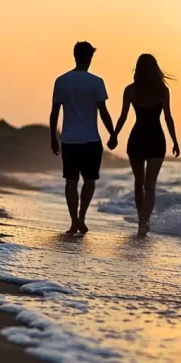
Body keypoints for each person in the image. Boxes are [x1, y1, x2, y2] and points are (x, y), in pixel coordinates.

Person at [108, 53, 180, 235]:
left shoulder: (131, 90)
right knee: (150, 184)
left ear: (138, 69)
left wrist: (114, 136)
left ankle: (142, 220)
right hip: (156, 138)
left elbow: (123, 116)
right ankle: (145, 222)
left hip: (138, 137)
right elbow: (168, 118)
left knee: (139, 182)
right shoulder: (162, 90)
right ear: (155, 69)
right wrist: (175, 141)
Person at [50, 41, 115, 234]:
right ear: (90, 57)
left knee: (71, 181)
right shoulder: (96, 82)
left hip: (69, 140)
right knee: (89, 180)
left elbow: (54, 112)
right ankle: (82, 217)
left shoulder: (61, 80)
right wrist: (112, 134)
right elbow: (103, 112)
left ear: (74, 55)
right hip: (91, 140)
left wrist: (53, 137)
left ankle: (73, 221)